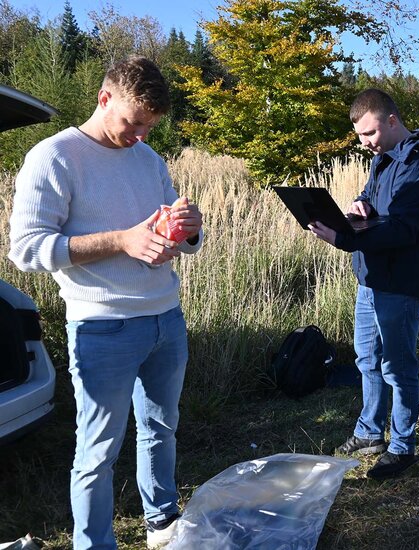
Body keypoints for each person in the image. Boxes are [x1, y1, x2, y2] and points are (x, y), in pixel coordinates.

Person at [8, 56, 203, 549]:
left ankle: (161, 522)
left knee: (161, 428)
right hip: (102, 328)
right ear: (104, 99)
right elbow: (26, 250)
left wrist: (187, 231)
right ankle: (94, 543)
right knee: (97, 451)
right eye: (133, 123)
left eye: (149, 127)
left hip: (166, 318)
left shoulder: (148, 158)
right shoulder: (54, 157)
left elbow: (167, 232)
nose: (140, 135)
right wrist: (122, 240)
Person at [309, 88, 419, 480]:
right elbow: (371, 197)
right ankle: (370, 431)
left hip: (401, 283)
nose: (365, 143)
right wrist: (361, 205)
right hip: (370, 277)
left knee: (398, 367)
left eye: (369, 133)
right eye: (360, 136)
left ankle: (402, 446)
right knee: (366, 359)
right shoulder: (383, 159)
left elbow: (403, 230)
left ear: (391, 120)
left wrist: (344, 239)